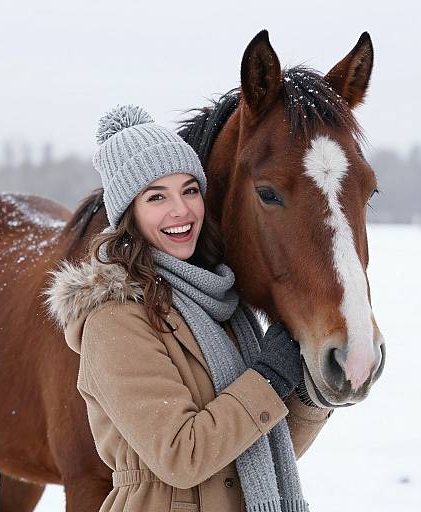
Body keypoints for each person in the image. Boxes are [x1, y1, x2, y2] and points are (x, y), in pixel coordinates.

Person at [45, 104, 333, 512]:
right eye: (156, 197)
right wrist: (268, 378)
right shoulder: (117, 318)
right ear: (130, 215)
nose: (180, 210)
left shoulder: (224, 305)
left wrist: (307, 391)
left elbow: (259, 447)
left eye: (189, 190)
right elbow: (183, 456)